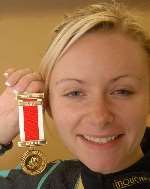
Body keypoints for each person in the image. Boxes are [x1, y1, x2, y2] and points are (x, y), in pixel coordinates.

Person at [0, 1, 150, 188]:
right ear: (47, 103)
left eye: (122, 91)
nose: (99, 118)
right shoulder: (40, 182)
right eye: (75, 93)